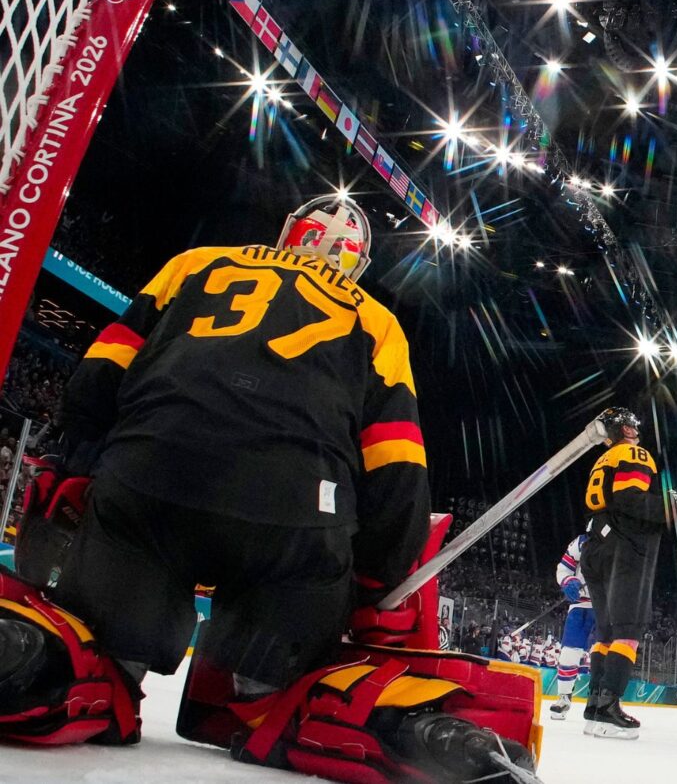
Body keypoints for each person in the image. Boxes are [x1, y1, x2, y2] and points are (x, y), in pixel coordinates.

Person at [0, 197, 537, 781]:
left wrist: (78, 465)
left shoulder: (197, 263)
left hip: (149, 472)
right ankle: (393, 728)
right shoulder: (377, 322)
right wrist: (382, 573)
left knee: (101, 659)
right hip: (296, 510)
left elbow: (100, 373)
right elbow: (397, 465)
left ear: (289, 235)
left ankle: (37, 662)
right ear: (355, 265)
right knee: (280, 694)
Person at [579, 407, 665, 739]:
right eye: (631, 424)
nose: (634, 429)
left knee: (607, 633)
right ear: (626, 430)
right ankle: (608, 708)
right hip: (624, 546)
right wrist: (670, 505)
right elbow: (630, 498)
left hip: (596, 543)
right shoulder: (633, 452)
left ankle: (594, 707)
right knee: (627, 631)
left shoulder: (604, 458)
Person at [551, 532, 595, 720]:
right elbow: (563, 568)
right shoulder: (582, 541)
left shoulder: (621, 541)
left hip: (608, 606)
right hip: (580, 605)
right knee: (569, 651)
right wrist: (568, 581)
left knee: (606, 654)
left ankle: (606, 701)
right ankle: (564, 697)